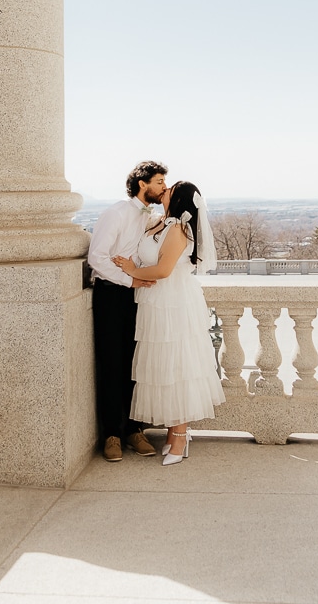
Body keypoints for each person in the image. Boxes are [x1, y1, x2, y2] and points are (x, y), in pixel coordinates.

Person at [113, 179, 225, 465]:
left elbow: (163, 270)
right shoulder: (160, 222)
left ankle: (180, 436)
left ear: (178, 200)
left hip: (172, 302)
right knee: (162, 365)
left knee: (177, 365)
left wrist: (131, 270)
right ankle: (174, 431)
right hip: (154, 302)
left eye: (170, 190)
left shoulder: (178, 230)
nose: (164, 190)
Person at [87, 159, 168, 462]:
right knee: (111, 364)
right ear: (142, 184)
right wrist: (129, 279)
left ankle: (134, 430)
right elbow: (98, 257)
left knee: (135, 365)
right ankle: (111, 435)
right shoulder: (117, 213)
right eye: (159, 182)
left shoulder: (151, 216)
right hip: (111, 295)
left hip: (136, 295)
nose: (163, 187)